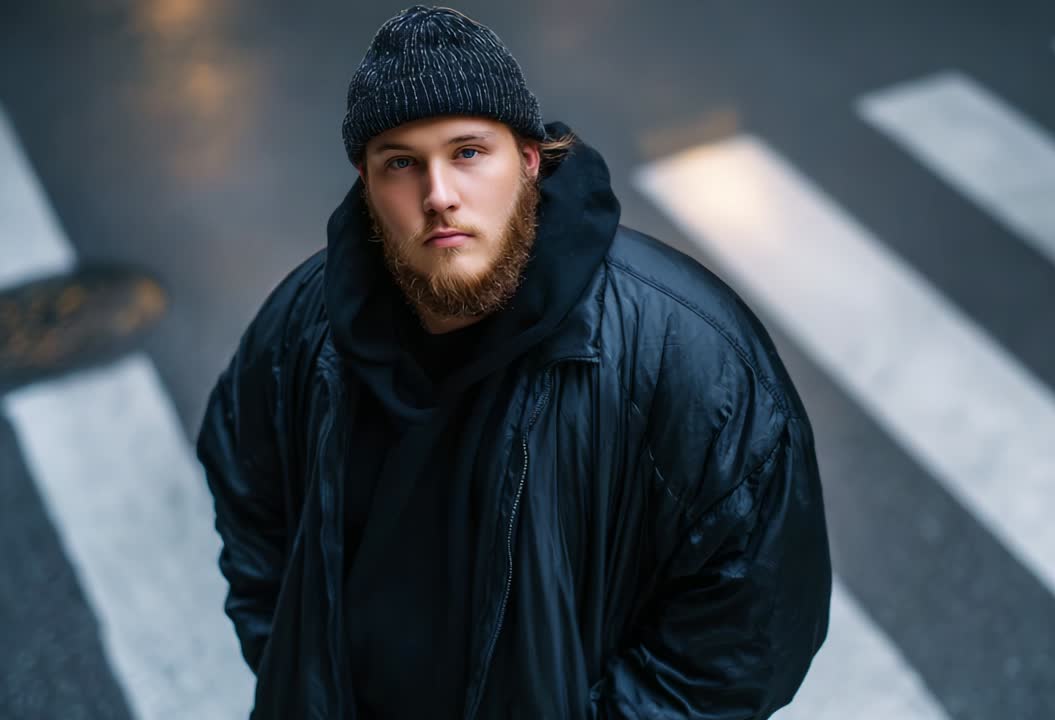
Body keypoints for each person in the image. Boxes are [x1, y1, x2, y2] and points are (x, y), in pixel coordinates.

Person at [197, 5, 831, 719]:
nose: (439, 194)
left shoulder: (689, 355)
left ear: (529, 161)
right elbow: (246, 490)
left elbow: (752, 626)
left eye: (468, 152)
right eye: (402, 163)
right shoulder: (306, 326)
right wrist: (296, 667)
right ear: (367, 187)